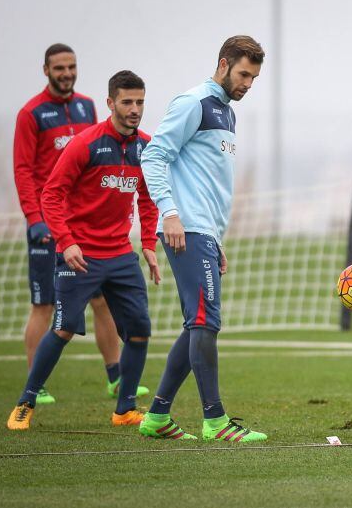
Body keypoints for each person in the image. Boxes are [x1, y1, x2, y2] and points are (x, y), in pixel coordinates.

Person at [7, 70, 160, 430]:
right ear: (110, 104)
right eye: (127, 102)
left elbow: (148, 198)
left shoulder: (147, 148)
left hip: (121, 255)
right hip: (79, 255)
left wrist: (149, 244)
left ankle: (124, 409)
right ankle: (25, 402)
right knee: (62, 329)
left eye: (139, 101)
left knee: (139, 330)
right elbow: (52, 194)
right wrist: (66, 241)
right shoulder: (86, 144)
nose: (135, 109)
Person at [139, 35, 268, 442]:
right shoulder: (193, 102)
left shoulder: (227, 114)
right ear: (224, 63)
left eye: (254, 77)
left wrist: (217, 240)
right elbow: (154, 156)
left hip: (204, 233)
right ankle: (215, 421)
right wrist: (170, 213)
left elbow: (207, 182)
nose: (248, 83)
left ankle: (157, 416)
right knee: (205, 322)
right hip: (185, 227)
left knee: (196, 324)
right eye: (244, 73)